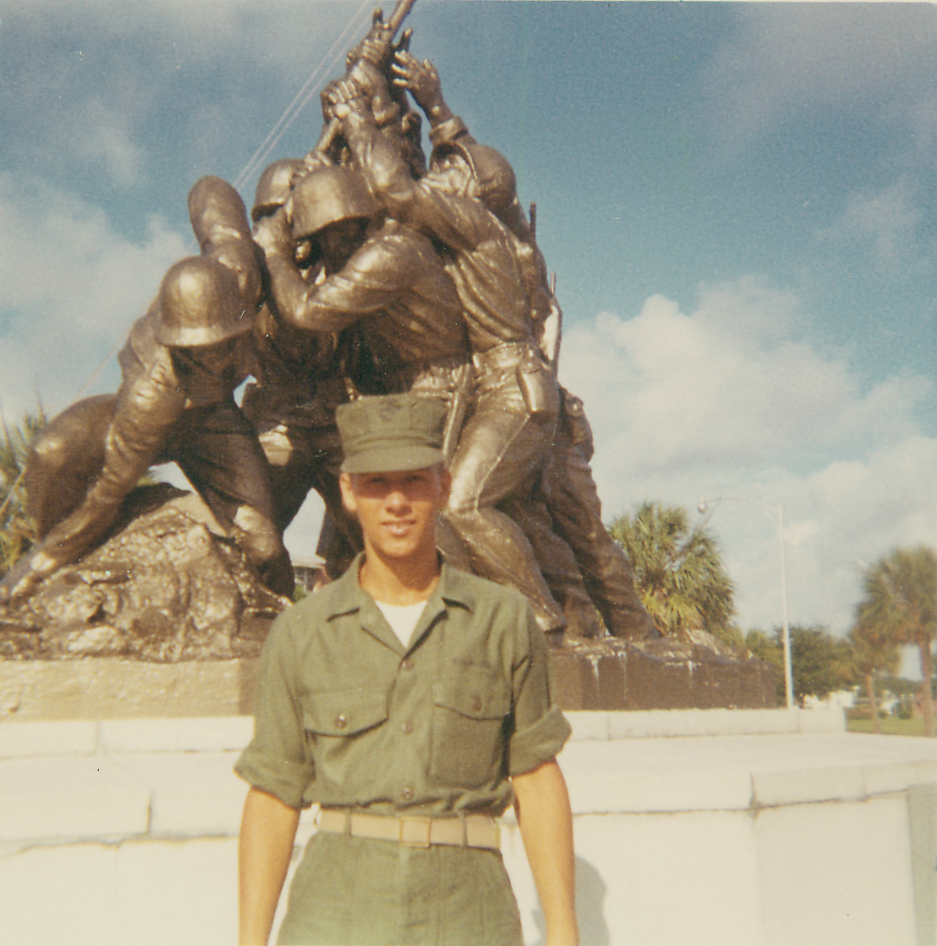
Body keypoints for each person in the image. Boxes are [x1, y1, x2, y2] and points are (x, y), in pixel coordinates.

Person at [236, 393, 578, 946]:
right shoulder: (302, 633)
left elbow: (537, 778)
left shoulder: (503, 620)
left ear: (443, 486)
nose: (396, 502)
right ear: (348, 492)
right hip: (337, 915)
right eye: (376, 483)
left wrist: (564, 932)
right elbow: (274, 795)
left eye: (414, 481)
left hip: (470, 916)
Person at [0, 177, 292, 602]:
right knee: (52, 452)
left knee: (265, 544)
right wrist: (39, 562)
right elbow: (109, 492)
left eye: (219, 346)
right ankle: (65, 570)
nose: (212, 360)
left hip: (214, 423)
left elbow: (210, 193)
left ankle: (281, 628)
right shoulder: (151, 392)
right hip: (152, 421)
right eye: (196, 352)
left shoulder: (238, 273)